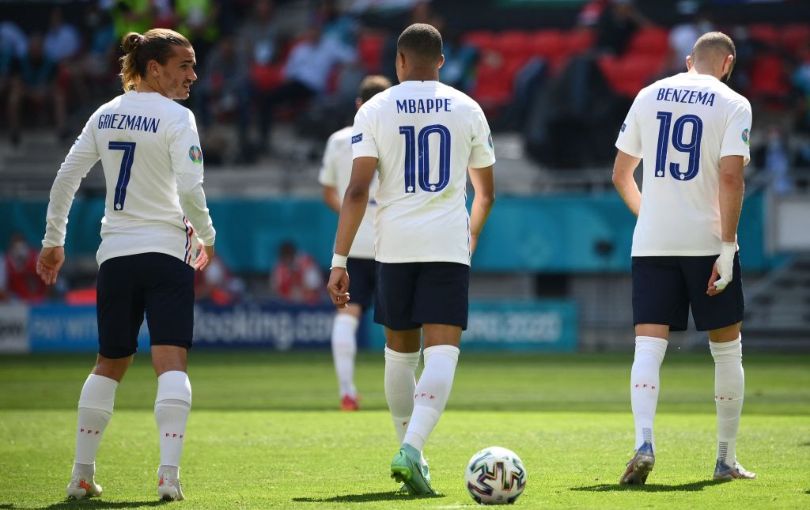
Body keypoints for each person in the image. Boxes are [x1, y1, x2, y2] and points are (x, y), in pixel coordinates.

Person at [35, 28, 216, 502]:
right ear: (154, 68)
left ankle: (80, 475)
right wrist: (208, 235)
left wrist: (54, 240)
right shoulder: (178, 117)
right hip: (165, 250)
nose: (193, 76)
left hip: (115, 254)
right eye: (184, 65)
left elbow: (66, 178)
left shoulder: (106, 114)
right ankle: (168, 478)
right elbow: (191, 189)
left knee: (109, 362)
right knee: (171, 360)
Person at [326, 23, 496, 495]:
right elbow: (486, 192)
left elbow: (357, 190)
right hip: (445, 245)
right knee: (442, 352)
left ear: (399, 61)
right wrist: (472, 233)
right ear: (441, 60)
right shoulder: (468, 107)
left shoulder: (375, 109)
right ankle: (412, 450)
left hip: (392, 248)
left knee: (398, 355)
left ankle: (409, 448)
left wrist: (340, 259)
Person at [612, 31, 755, 484]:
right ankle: (725, 459)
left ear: (689, 59)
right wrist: (728, 247)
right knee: (726, 350)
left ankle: (644, 442)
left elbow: (620, 174)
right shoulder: (734, 103)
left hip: (653, 242)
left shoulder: (649, 93)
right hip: (707, 243)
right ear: (727, 62)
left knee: (648, 348)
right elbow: (731, 179)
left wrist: (650, 214)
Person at [319, 74, 391, 411]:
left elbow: (330, 192)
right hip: (394, 240)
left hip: (354, 243)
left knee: (348, 316)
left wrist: (353, 213)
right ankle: (411, 396)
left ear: (358, 104)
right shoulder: (397, 134)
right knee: (401, 323)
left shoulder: (338, 140)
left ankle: (346, 391)